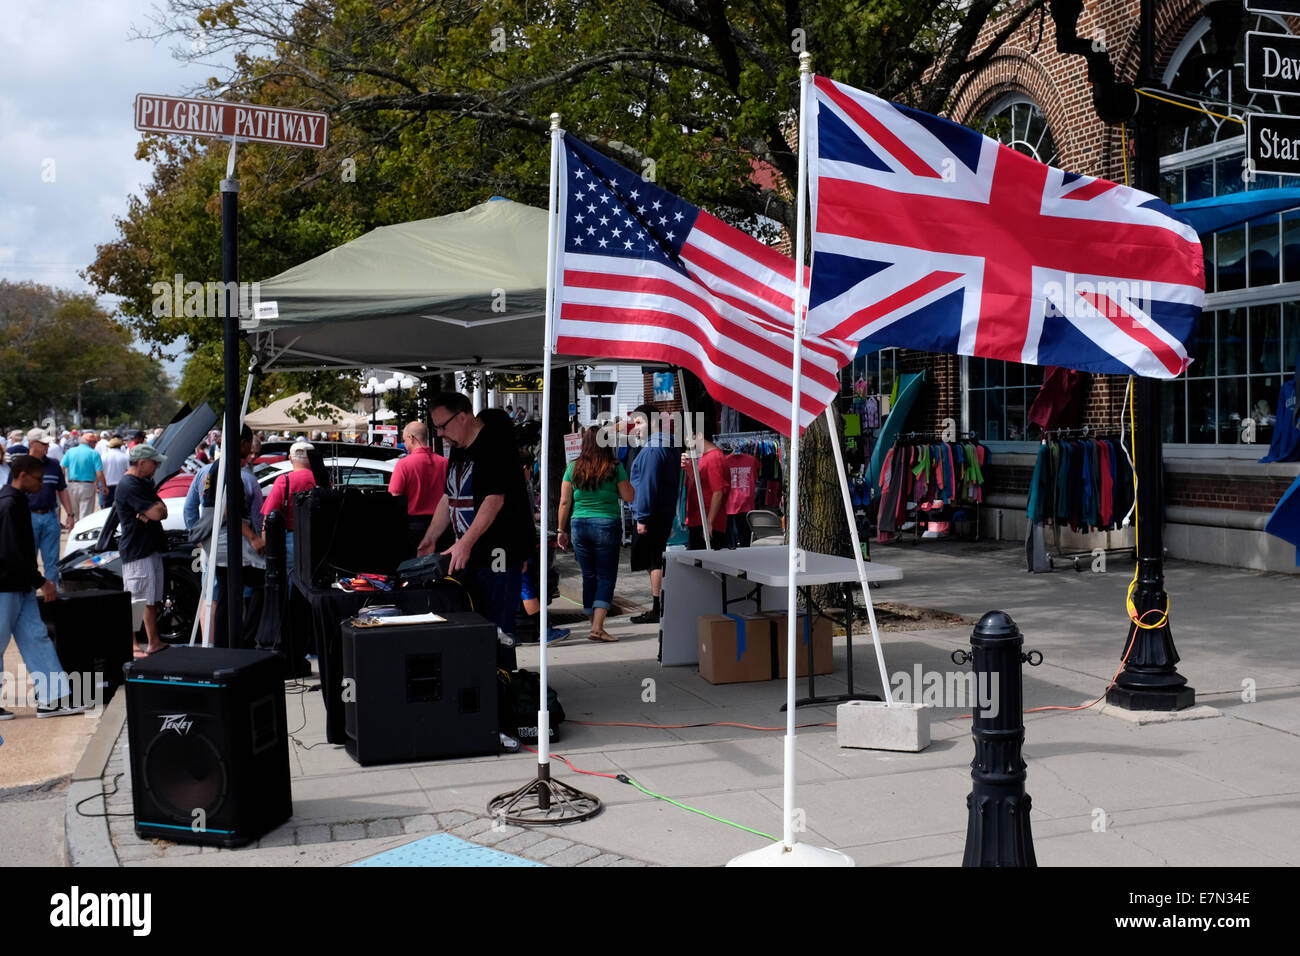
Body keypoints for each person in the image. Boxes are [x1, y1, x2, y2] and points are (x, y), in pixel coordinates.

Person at [417, 392, 533, 669]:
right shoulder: (459, 446)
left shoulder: (494, 446)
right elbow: (449, 496)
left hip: (499, 555)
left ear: (463, 416)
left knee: (498, 628)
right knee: (474, 626)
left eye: (444, 426)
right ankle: (481, 688)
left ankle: (501, 690)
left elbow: (494, 500)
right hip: (470, 556)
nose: (441, 434)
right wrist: (430, 537)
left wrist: (465, 543)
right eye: (436, 429)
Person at [0, 455, 86, 718]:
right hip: (5, 586)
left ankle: (52, 699)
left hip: (19, 586)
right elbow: (10, 552)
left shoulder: (14, 501)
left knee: (37, 639)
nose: (42, 485)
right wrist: (42, 582)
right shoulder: (8, 504)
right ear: (22, 474)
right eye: (38, 479)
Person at [557, 426, 634, 642]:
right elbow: (629, 497)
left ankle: (594, 624)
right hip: (606, 524)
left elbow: (564, 501)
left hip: (579, 525)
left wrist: (561, 530)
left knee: (588, 576)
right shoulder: (614, 467)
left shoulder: (573, 467)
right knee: (606, 576)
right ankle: (598, 628)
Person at [114, 444, 170, 657]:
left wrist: (154, 510)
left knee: (151, 598)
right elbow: (157, 512)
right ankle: (133, 644)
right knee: (137, 599)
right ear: (142, 463)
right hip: (138, 550)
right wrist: (153, 511)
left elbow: (161, 510)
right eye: (154, 462)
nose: (156, 466)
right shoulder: (129, 485)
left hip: (149, 547)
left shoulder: (143, 483)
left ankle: (153, 642)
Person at [626, 404, 680, 624]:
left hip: (653, 513)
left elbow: (648, 485)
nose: (635, 428)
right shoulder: (669, 444)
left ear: (654, 422)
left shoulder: (652, 449)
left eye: (639, 423)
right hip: (663, 511)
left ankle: (657, 607)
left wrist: (642, 517)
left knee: (653, 561)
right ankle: (660, 606)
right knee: (655, 558)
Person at [23, 430, 74, 590]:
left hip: (50, 517)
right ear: (32, 444)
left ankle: (52, 593)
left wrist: (70, 514)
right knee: (28, 559)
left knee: (52, 560)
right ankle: (30, 594)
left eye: (47, 443)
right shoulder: (21, 465)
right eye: (43, 443)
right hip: (28, 518)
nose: (47, 446)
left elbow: (62, 490)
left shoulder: (53, 465)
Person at [388, 422, 448, 555]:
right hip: (443, 527)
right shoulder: (445, 463)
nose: (404, 444)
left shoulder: (403, 465)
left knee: (414, 569)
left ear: (411, 437)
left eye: (404, 440)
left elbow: (395, 497)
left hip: (413, 527)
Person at [262, 440, 316, 560]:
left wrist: (265, 541)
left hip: (291, 538)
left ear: (290, 458)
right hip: (317, 536)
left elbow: (269, 515)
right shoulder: (322, 481)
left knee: (292, 574)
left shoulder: (284, 480)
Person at [682, 432, 728, 550]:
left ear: (699, 435)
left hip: (706, 522)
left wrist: (709, 522)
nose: (686, 440)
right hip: (700, 520)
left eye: (689, 436)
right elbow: (701, 485)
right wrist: (689, 469)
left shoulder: (714, 457)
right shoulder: (705, 456)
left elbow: (718, 492)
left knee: (702, 564)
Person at [62, 430, 105, 522]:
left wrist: (61, 483)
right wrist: (104, 486)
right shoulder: (94, 453)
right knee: (85, 517)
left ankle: (74, 533)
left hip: (71, 485)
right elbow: (99, 473)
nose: (95, 445)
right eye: (94, 442)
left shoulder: (70, 451)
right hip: (87, 486)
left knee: (75, 515)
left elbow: (62, 467)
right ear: (90, 442)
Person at [101, 436, 129, 508]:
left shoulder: (103, 456)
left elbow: (100, 472)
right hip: (122, 486)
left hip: (107, 486)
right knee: (122, 507)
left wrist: (99, 486)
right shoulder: (125, 457)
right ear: (120, 446)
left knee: (107, 507)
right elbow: (129, 471)